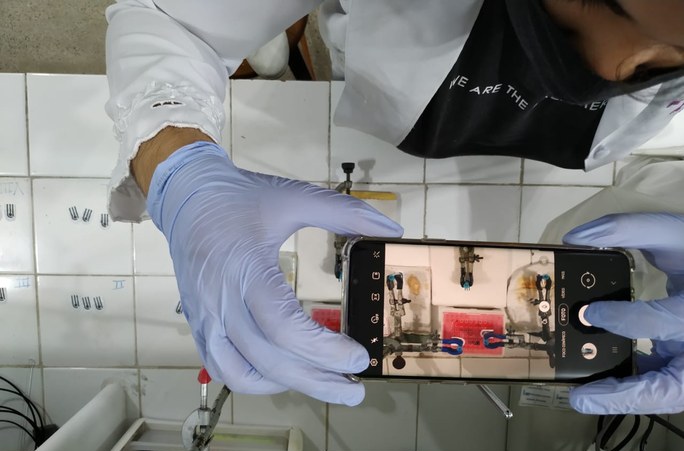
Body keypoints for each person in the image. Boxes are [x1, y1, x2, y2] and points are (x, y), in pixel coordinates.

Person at [104, 0, 684, 411]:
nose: (621, 69)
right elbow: (168, 17)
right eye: (605, 5)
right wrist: (180, 173)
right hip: (384, 98)